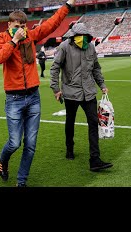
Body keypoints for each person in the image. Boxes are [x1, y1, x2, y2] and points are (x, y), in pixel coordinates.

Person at [0, 0, 81, 187]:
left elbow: (52, 23)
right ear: (9, 25)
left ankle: (21, 181)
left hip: (33, 97)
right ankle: (3, 162)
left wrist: (69, 2)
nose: (21, 29)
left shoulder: (31, 36)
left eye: (23, 26)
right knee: (15, 143)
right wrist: (14, 41)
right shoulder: (2, 38)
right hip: (14, 99)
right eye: (17, 26)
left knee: (30, 145)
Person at [49, 22, 113, 172]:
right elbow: (55, 67)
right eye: (78, 36)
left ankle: (95, 159)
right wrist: (56, 89)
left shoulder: (90, 47)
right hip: (71, 92)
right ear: (73, 36)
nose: (81, 39)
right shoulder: (64, 46)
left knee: (93, 122)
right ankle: (69, 148)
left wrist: (102, 85)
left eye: (84, 36)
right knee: (70, 121)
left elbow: (96, 67)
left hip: (89, 91)